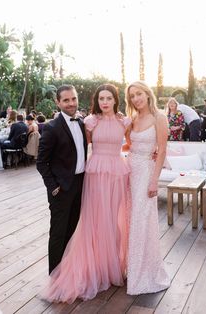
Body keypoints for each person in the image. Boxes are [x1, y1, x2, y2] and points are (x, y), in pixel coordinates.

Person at [41, 83, 131, 303]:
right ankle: (57, 275)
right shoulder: (87, 122)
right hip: (88, 176)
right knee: (82, 225)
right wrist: (53, 185)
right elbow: (50, 159)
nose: (105, 102)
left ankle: (108, 267)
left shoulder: (122, 121)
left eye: (109, 98)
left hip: (113, 174)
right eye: (102, 98)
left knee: (111, 222)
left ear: (115, 100)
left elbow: (131, 143)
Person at [36, 85, 88, 275]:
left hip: (81, 185)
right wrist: (53, 187)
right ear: (58, 102)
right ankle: (55, 276)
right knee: (58, 233)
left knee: (72, 230)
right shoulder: (52, 127)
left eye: (73, 99)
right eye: (66, 100)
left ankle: (66, 272)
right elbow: (41, 162)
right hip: (61, 188)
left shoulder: (82, 123)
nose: (71, 103)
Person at [125, 81, 170, 295]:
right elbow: (128, 144)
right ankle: (132, 268)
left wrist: (154, 180)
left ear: (147, 93)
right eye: (132, 96)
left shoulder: (159, 118)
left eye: (139, 94)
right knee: (130, 220)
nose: (136, 99)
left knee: (141, 221)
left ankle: (144, 273)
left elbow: (161, 151)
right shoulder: (133, 119)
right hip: (129, 172)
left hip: (145, 174)